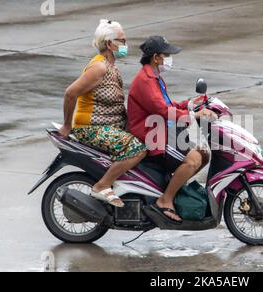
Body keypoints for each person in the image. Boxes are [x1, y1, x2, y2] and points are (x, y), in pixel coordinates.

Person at [127, 36, 217, 223]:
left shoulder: (154, 77)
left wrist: (189, 105)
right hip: (150, 134)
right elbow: (162, 110)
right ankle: (165, 200)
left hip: (163, 129)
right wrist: (193, 116)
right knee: (193, 160)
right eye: (166, 55)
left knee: (204, 154)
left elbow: (166, 104)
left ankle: (173, 189)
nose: (169, 58)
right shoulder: (145, 79)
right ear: (156, 57)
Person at [59, 19, 147, 208]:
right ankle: (103, 185)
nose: (125, 45)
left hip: (110, 126)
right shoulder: (99, 67)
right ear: (109, 44)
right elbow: (70, 93)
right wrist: (67, 125)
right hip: (91, 128)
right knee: (138, 149)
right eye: (121, 41)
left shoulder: (111, 66)